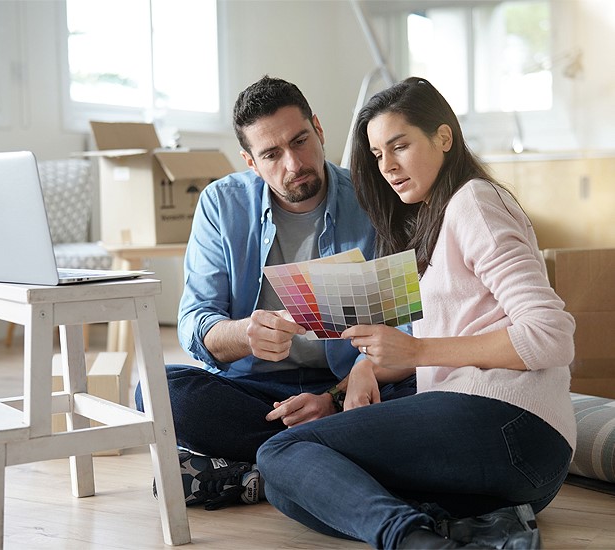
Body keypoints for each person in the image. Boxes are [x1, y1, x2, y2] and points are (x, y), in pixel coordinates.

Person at [256, 76, 577, 549]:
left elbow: (550, 335)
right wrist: (368, 369)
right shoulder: (439, 215)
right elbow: (463, 331)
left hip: (511, 422)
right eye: (377, 154)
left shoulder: (475, 202)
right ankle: (461, 530)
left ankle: (413, 542)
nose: (387, 166)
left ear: (443, 137)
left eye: (399, 146)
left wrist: (418, 348)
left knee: (283, 452)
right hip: (521, 466)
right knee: (295, 491)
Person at [135, 75, 415, 510]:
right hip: (257, 395)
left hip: (347, 388)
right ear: (250, 161)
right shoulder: (220, 204)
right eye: (271, 154)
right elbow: (196, 322)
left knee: (428, 384)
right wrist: (244, 333)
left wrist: (334, 399)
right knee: (158, 390)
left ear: (319, 130)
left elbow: (407, 326)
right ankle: (326, 459)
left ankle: (262, 470)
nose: (293, 163)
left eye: (300, 141)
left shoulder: (375, 197)